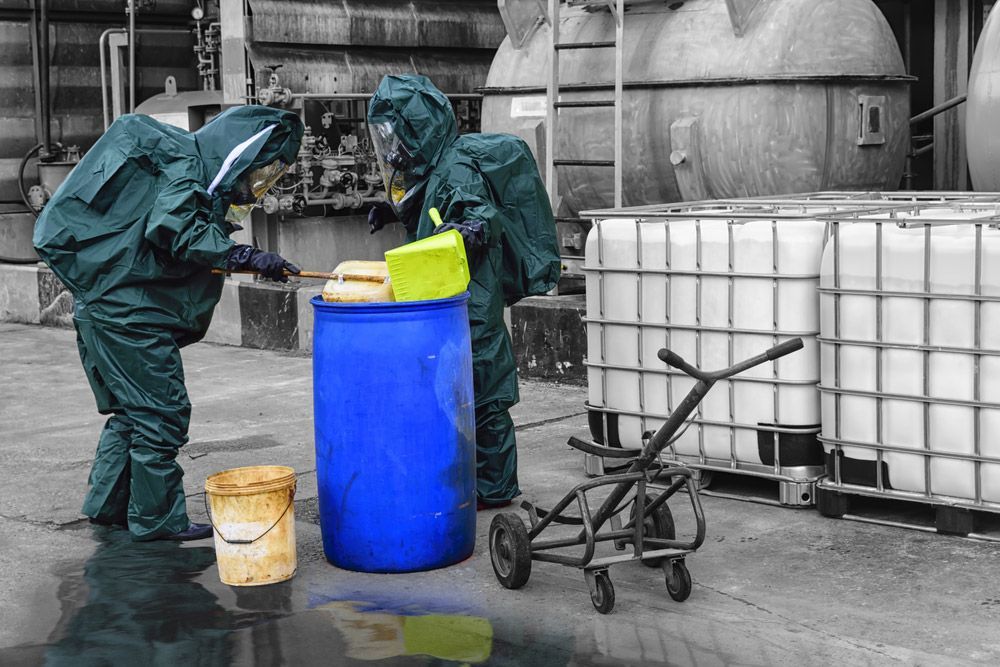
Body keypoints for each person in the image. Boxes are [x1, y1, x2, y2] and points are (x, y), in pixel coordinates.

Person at [33, 106, 304, 541]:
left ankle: (108, 507)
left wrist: (238, 256)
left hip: (105, 308)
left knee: (131, 413)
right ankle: (157, 519)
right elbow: (176, 228)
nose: (254, 186)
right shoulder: (187, 168)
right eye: (257, 172)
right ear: (239, 155)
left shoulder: (181, 165)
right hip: (129, 316)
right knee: (161, 415)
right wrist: (241, 256)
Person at [366, 74, 561, 510]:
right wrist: (395, 212)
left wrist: (472, 228)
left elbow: (478, 214)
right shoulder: (438, 165)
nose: (393, 146)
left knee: (484, 394)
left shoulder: (454, 167)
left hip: (472, 300)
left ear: (418, 127)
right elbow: (437, 213)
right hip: (453, 297)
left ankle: (495, 489)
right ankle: (475, 480)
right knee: (461, 393)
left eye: (397, 133)